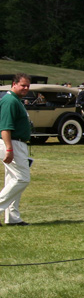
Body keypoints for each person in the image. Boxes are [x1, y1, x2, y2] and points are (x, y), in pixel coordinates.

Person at [0, 73, 33, 226]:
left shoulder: (16, 100)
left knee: (12, 180)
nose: (25, 88)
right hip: (12, 143)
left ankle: (12, 217)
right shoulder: (9, 101)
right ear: (14, 84)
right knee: (22, 178)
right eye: (23, 85)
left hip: (18, 143)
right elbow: (5, 127)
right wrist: (9, 149)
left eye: (27, 86)